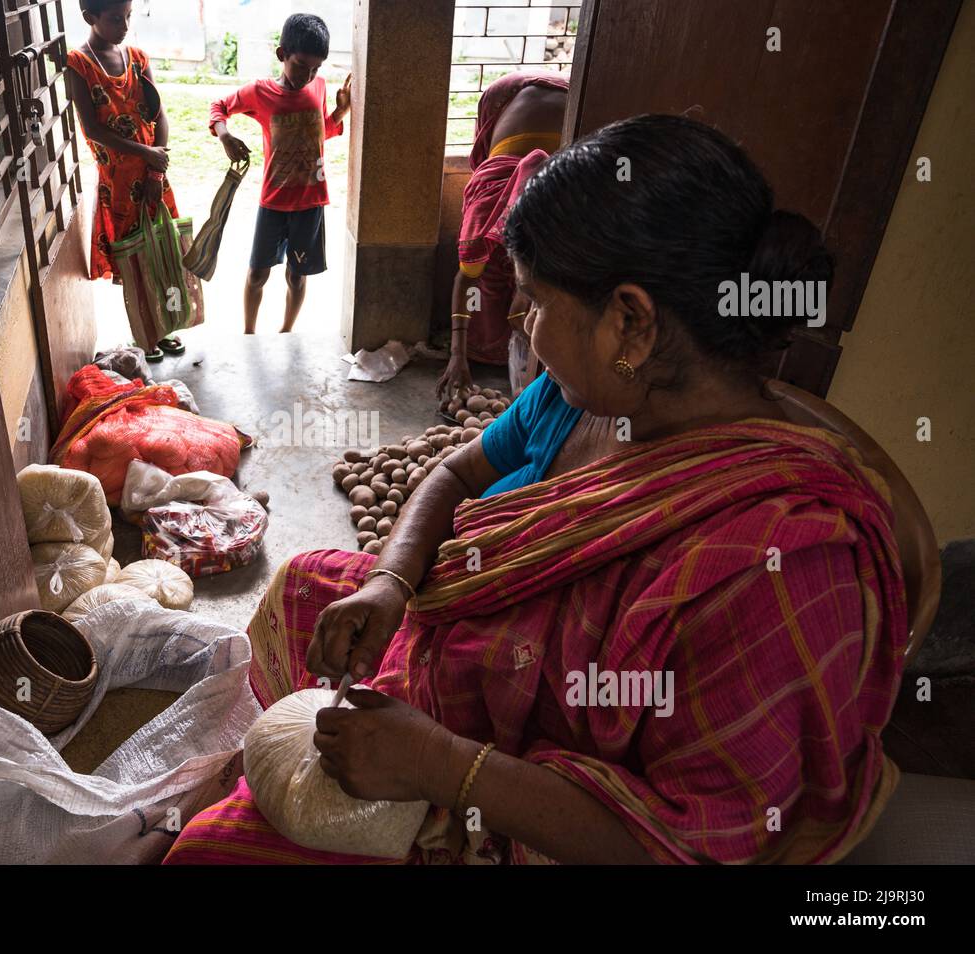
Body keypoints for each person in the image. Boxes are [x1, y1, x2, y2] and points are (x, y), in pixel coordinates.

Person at [164, 115, 909, 865]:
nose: (520, 322)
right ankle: (261, 775)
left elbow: (688, 847)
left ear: (630, 323)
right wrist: (391, 582)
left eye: (537, 302)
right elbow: (456, 473)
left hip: (530, 797)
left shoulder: (778, 570)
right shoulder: (582, 393)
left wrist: (444, 767)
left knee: (207, 854)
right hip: (469, 657)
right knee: (303, 588)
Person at [209, 14, 351, 334]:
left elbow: (316, 134)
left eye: (316, 68)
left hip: (310, 201)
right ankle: (249, 334)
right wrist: (225, 136)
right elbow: (218, 106)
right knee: (258, 273)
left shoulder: (319, 87)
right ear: (281, 54)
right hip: (273, 201)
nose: (309, 74)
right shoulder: (260, 93)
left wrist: (340, 111)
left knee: (297, 275)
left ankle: (286, 332)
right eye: (301, 65)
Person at [438, 71, 569, 399]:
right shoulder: (483, 222)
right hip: (509, 94)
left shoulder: (561, 224)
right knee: (485, 281)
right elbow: (467, 282)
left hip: (569, 95)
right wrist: (458, 355)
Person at [66, 0, 185, 360]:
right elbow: (93, 129)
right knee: (132, 262)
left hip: (153, 176)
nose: (125, 25)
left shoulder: (137, 57)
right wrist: (146, 154)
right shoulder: (80, 65)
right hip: (118, 185)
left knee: (159, 250)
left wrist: (155, 166)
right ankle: (143, 333)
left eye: (128, 16)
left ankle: (163, 328)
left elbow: (159, 116)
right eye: (116, 18)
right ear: (90, 18)